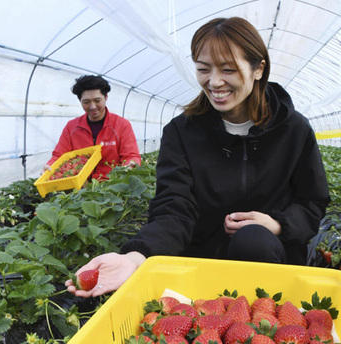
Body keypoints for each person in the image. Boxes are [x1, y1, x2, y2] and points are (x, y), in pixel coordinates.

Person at [65, 17, 330, 298]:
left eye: (228, 69)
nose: (214, 82)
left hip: (270, 261)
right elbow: (175, 208)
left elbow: (312, 201)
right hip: (202, 264)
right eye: (203, 69)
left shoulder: (293, 130)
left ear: (258, 68)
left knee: (253, 241)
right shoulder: (182, 133)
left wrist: (277, 224)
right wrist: (135, 256)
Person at [44, 75, 141, 179]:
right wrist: (50, 165)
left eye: (97, 100)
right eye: (86, 102)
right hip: (80, 186)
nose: (92, 106)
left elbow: (131, 155)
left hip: (112, 184)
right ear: (80, 101)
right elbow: (59, 155)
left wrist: (130, 166)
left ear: (106, 97)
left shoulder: (121, 125)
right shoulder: (72, 127)